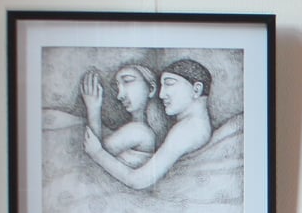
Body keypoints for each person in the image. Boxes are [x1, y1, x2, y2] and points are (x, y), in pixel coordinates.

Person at [83, 57, 217, 192]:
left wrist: (97, 153)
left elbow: (138, 180)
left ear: (196, 89)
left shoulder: (187, 130)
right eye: (162, 86)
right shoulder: (194, 125)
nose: (161, 94)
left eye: (169, 83)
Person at [80, 63, 160, 168]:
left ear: (151, 89)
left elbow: (94, 152)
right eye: (117, 86)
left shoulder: (139, 131)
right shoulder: (135, 129)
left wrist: (93, 108)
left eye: (127, 81)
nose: (120, 95)